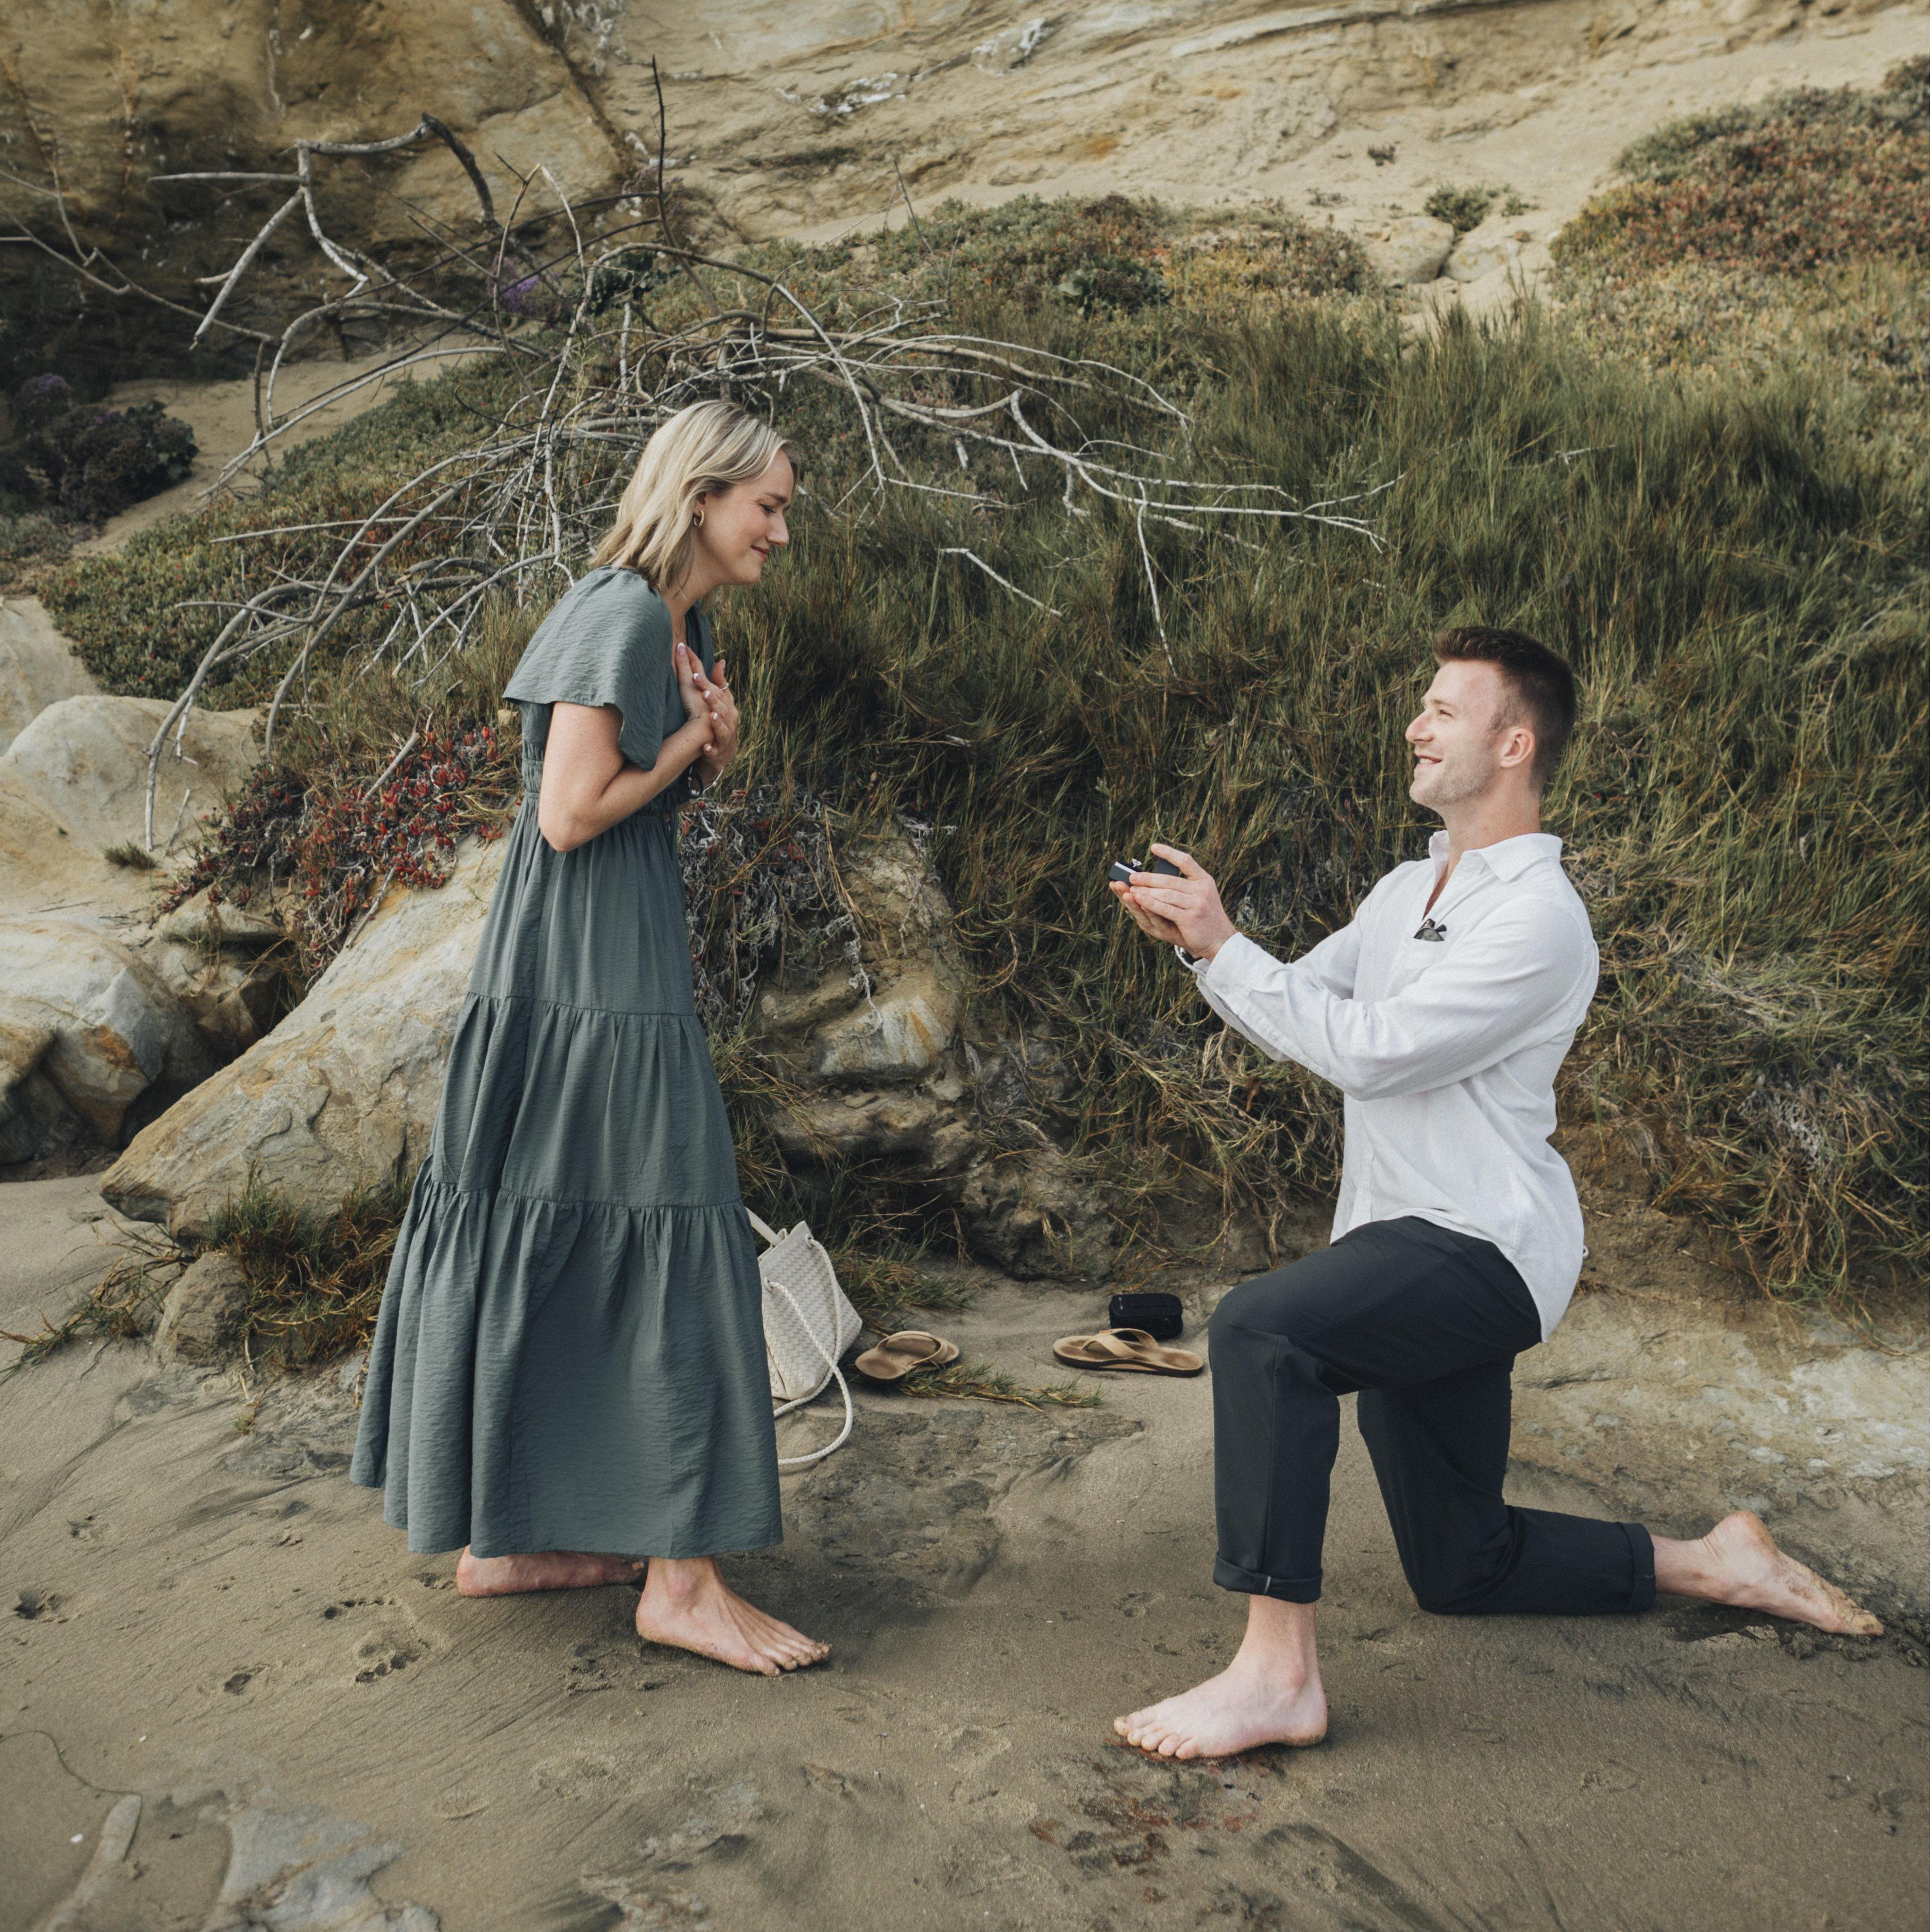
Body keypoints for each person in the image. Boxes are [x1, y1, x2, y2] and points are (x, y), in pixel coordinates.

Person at [1107, 625, 1883, 1760]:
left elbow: (1370, 1053)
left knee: (1263, 1333)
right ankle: (1719, 1563)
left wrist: (1226, 944)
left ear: (1513, 744)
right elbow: (1297, 1006)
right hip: (1399, 1241)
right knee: (1460, 1565)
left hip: (1485, 1245)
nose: (1412, 728)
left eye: (1441, 711)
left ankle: (1276, 1678)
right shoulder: (1401, 889)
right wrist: (1198, 943)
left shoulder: (1538, 918)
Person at [351, 399, 828, 1677]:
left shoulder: (677, 622)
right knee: (666, 1215)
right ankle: (681, 1582)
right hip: (588, 966)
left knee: (572, 1205)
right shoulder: (619, 611)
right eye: (767, 506)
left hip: (595, 949)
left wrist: (706, 751)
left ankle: (509, 1541)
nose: (780, 531)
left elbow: (618, 798)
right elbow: (567, 814)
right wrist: (687, 748)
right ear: (701, 495)